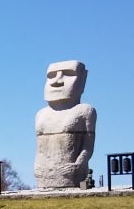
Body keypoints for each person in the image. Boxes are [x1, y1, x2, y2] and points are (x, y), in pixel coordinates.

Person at [34, 60, 97, 190]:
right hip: (42, 173)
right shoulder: (40, 114)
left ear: (83, 78)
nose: (57, 81)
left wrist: (78, 164)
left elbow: (88, 147)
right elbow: (39, 149)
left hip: (70, 173)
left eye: (68, 74)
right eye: (51, 76)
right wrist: (36, 165)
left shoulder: (85, 111)